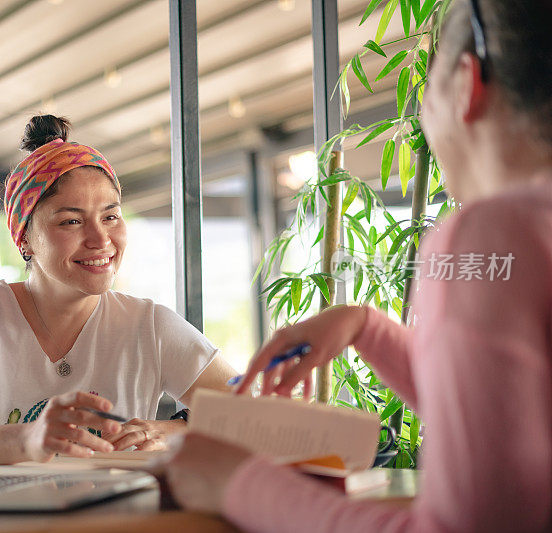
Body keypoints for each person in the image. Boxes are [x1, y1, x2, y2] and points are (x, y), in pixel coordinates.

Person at [163, 1, 552, 531]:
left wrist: (237, 482)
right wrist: (366, 327)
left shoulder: (490, 234)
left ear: (465, 83)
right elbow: (509, 418)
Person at [0, 114, 236, 465]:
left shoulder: (148, 324)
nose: (101, 239)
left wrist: (171, 431)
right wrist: (29, 440)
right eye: (71, 221)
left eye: (110, 217)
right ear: (25, 238)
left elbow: (250, 413)